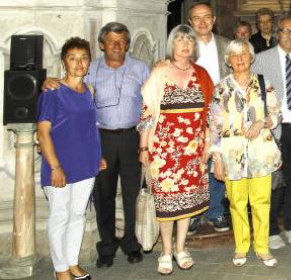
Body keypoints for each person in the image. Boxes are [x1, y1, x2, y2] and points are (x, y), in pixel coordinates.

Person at [139, 25, 215, 275]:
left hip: (193, 151)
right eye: (180, 40)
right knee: (166, 204)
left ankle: (181, 248)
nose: (185, 45)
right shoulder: (160, 72)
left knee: (186, 203)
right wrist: (143, 146)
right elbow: (147, 112)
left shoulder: (201, 74)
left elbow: (211, 115)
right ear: (172, 44)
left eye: (189, 41)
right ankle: (165, 251)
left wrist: (209, 145)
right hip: (164, 151)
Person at [209, 39, 281, 268]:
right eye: (234, 55)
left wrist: (262, 122)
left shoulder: (264, 82)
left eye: (244, 54)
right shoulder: (221, 88)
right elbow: (214, 127)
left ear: (251, 57)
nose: (239, 59)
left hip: (261, 153)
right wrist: (216, 159)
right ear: (228, 61)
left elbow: (277, 114)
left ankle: (262, 248)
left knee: (261, 202)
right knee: (236, 203)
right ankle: (241, 247)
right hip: (231, 155)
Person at [38, 37, 105, 280]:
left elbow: (89, 127)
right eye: (73, 58)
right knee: (60, 216)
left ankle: (72, 262)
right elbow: (43, 133)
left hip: (85, 163)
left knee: (78, 214)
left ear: (89, 62)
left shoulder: (89, 91)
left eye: (84, 58)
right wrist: (55, 167)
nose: (79, 63)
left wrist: (98, 156)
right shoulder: (52, 93)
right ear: (63, 62)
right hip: (59, 164)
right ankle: (60, 269)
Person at [87, 23, 150, 268]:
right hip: (101, 137)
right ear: (102, 44)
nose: (116, 46)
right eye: (111, 41)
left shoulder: (140, 68)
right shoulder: (91, 69)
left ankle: (132, 243)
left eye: (121, 41)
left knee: (133, 193)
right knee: (104, 193)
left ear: (128, 44)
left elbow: (149, 105)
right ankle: (107, 246)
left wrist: (145, 144)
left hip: (132, 137)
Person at [251, 15, 291, 250]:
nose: (289, 35)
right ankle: (271, 229)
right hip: (276, 129)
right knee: (275, 182)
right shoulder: (260, 59)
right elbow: (252, 92)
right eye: (285, 31)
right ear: (277, 33)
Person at [187, 2, 231, 234]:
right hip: (191, 114)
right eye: (197, 18)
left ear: (213, 19)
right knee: (194, 164)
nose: (202, 22)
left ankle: (215, 210)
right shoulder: (183, 46)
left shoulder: (226, 45)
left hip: (220, 111)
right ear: (190, 22)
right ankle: (193, 213)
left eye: (206, 17)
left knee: (217, 161)